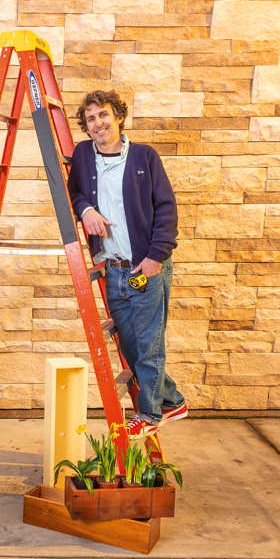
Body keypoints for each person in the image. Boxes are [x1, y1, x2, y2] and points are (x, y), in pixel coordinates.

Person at [67, 89, 187, 438]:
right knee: (132, 346)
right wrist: (85, 210)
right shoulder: (83, 156)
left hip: (145, 266)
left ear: (118, 116)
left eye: (103, 115)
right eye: (90, 119)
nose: (98, 123)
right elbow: (73, 192)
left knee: (149, 345)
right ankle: (173, 399)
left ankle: (150, 415)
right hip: (114, 269)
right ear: (86, 127)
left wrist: (155, 257)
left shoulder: (144, 157)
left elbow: (166, 209)